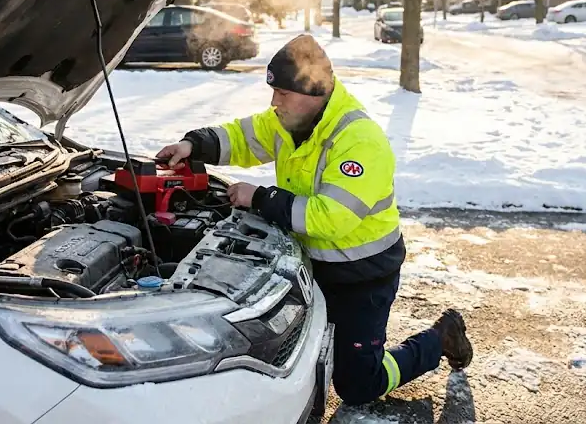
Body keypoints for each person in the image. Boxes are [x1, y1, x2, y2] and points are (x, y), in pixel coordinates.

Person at [156, 34, 473, 406]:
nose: (275, 101)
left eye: (283, 93)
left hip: (362, 278)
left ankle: (440, 338)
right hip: (313, 266)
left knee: (358, 384)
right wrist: (194, 145)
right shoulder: (291, 120)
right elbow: (243, 136)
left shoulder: (358, 140)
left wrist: (259, 197)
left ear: (312, 89)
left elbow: (329, 218)